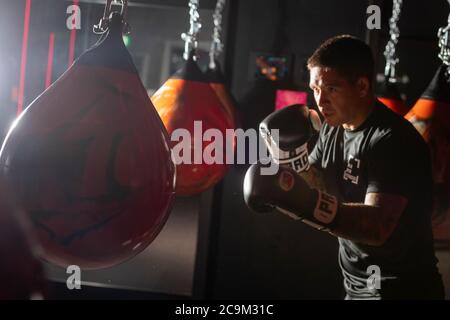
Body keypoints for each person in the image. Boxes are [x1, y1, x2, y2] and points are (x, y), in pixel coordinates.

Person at [243, 35, 445, 300]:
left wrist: (302, 203)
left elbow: (376, 227)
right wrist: (291, 161)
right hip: (356, 286)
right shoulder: (331, 129)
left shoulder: (392, 140)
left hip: (404, 290)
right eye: (315, 89)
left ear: (362, 86)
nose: (320, 100)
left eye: (331, 89)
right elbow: (315, 183)